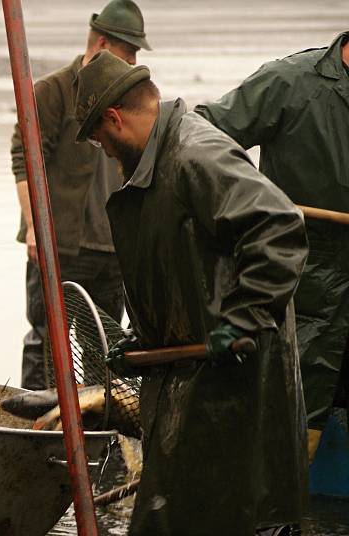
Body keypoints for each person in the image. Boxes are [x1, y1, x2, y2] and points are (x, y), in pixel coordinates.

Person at [76, 51, 308, 535]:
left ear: (114, 119)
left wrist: (243, 320)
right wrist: (144, 340)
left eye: (100, 141)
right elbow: (179, 271)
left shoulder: (195, 154)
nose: (106, 152)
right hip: (190, 380)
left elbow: (278, 227)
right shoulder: (153, 166)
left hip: (236, 381)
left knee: (232, 517)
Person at [195, 31, 349, 460]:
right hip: (298, 297)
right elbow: (200, 137)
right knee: (288, 414)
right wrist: (250, 198)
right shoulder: (291, 83)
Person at [11, 0, 151, 390]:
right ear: (104, 44)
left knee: (106, 348)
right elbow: (24, 158)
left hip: (111, 250)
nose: (134, 59)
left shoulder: (129, 101)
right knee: (45, 342)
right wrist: (36, 228)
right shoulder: (53, 91)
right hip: (60, 246)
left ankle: (99, 433)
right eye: (130, 50)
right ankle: (36, 433)